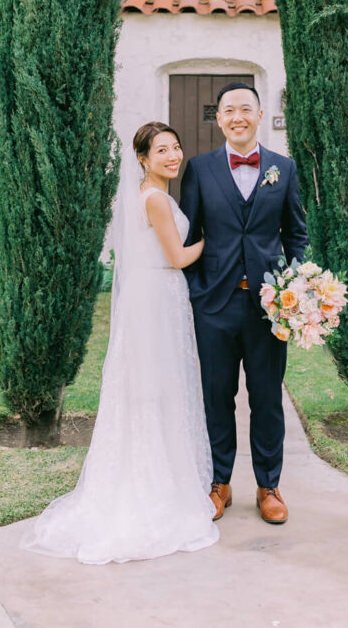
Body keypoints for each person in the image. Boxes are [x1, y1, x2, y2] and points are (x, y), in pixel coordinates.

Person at [21, 122, 219, 564]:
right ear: (143, 160)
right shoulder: (157, 200)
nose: (173, 156)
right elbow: (178, 257)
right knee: (162, 388)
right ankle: (157, 486)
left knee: (145, 389)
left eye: (175, 147)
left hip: (144, 297)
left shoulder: (142, 197)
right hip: (160, 295)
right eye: (161, 150)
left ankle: (148, 472)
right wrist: (214, 239)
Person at [180, 82, 308, 525]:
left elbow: (296, 234)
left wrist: (295, 290)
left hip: (269, 310)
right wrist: (198, 292)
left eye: (245, 109)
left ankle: (268, 486)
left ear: (259, 114)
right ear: (218, 119)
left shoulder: (283, 169)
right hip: (214, 306)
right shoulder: (198, 169)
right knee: (217, 396)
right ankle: (219, 482)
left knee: (267, 397)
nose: (237, 116)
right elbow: (189, 234)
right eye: (228, 110)